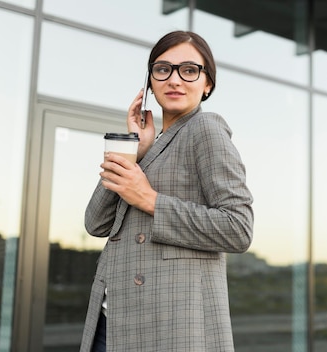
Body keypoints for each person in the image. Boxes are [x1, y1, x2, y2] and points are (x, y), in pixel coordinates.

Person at [80, 31, 254, 352]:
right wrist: (135, 151)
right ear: (149, 83)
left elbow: (238, 228)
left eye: (189, 70)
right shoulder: (154, 143)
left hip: (168, 324)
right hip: (113, 319)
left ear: (207, 84)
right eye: (163, 69)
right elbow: (96, 223)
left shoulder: (206, 129)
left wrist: (150, 200)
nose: (174, 79)